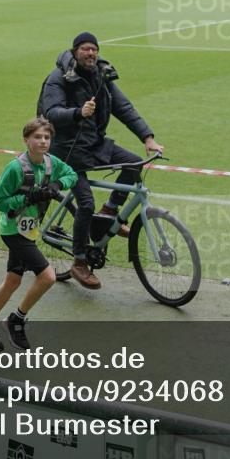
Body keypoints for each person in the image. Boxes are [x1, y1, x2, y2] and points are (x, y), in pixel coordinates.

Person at [38, 32, 163, 290]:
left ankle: (109, 213)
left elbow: (123, 106)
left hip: (92, 145)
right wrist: (77, 113)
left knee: (133, 164)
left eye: (94, 49)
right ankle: (79, 262)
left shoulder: (101, 76)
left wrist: (147, 137)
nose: (91, 54)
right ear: (75, 51)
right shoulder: (58, 78)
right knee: (85, 202)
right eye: (85, 49)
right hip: (65, 151)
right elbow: (50, 112)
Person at [0, 117, 77, 351]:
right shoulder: (15, 168)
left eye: (47, 137)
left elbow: (72, 175)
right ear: (26, 140)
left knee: (13, 280)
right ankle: (16, 320)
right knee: (48, 277)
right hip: (12, 231)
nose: (43, 142)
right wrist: (28, 197)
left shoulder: (52, 163)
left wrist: (57, 186)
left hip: (29, 231)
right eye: (37, 137)